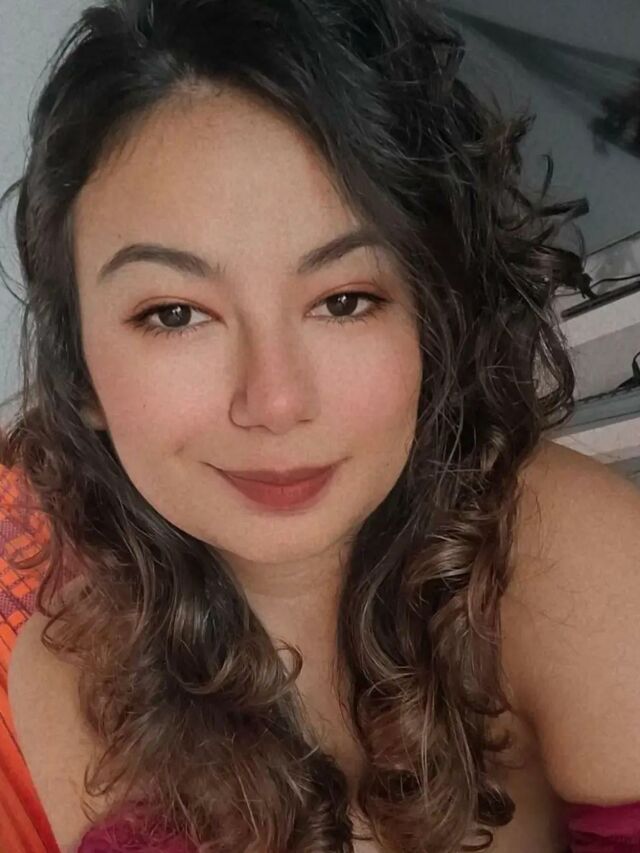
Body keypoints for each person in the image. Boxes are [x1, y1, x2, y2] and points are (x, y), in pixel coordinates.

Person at [1, 0, 640, 851]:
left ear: (430, 323)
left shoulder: (567, 557)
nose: (274, 401)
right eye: (176, 313)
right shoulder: (66, 671)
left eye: (344, 300)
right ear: (79, 372)